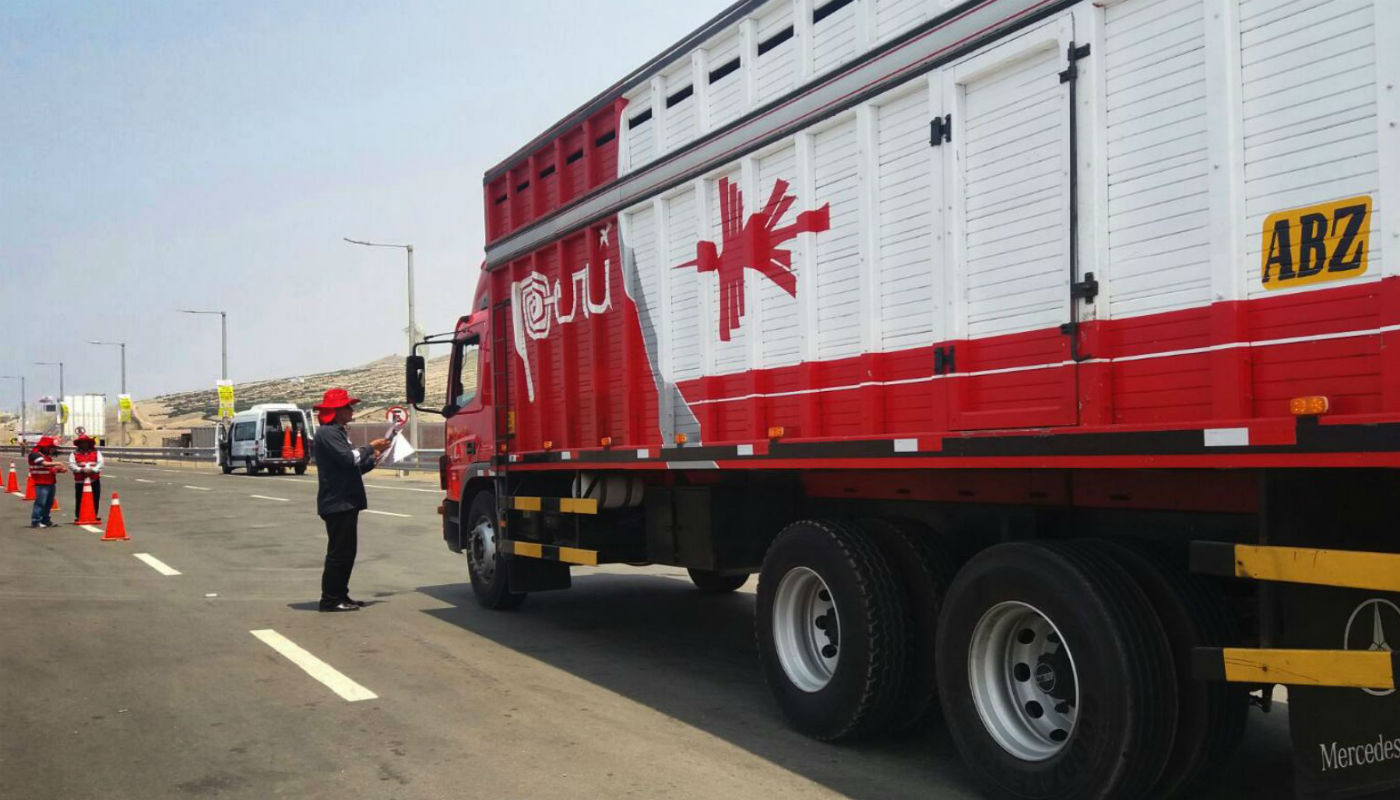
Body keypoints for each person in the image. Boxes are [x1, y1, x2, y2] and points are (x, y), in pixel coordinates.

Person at [310, 388, 390, 612]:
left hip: (344, 501)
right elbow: (347, 459)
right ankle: (330, 599)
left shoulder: (336, 432)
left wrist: (373, 458)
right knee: (339, 554)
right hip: (338, 502)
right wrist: (370, 447)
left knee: (346, 553)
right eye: (347, 406)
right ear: (336, 411)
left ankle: (340, 595)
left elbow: (352, 466)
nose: (351, 410)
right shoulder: (327, 433)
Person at [27, 436, 67, 528]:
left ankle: (45, 520)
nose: (52, 449)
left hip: (50, 482)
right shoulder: (35, 454)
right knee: (40, 502)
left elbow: (49, 469)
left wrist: (59, 470)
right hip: (41, 482)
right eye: (50, 447)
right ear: (45, 446)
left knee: (49, 503)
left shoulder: (47, 457)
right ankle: (36, 521)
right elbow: (44, 464)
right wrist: (59, 463)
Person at [67, 431, 104, 519]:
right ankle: (79, 516)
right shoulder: (74, 453)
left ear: (89, 443)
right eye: (82, 443)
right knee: (80, 498)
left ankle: (93, 515)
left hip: (94, 479)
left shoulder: (96, 452)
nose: (84, 444)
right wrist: (81, 470)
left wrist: (93, 470)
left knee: (95, 498)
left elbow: (100, 463)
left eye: (86, 442)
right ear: (79, 444)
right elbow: (71, 465)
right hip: (80, 480)